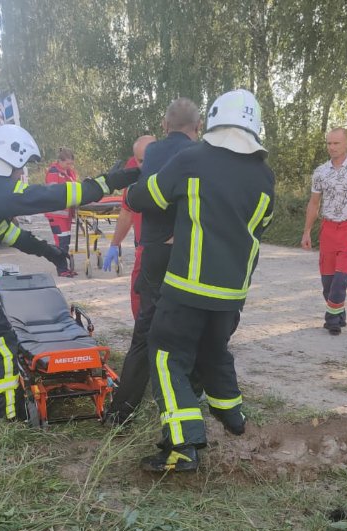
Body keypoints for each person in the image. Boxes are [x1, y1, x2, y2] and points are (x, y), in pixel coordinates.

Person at [0, 124, 139, 421]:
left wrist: (50, 252)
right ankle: (7, 418)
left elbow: (14, 235)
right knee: (2, 346)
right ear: (10, 159)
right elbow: (51, 196)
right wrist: (104, 183)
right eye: (21, 166)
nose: (20, 173)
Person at [125, 89, 275, 473]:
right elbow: (261, 226)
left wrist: (131, 187)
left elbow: (146, 198)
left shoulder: (193, 159)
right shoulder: (264, 175)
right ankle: (232, 415)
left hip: (187, 289)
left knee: (166, 357)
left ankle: (182, 445)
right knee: (213, 351)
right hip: (232, 294)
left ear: (212, 121)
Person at [104, 99, 200, 425]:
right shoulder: (202, 154)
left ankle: (121, 411)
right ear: (198, 126)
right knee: (192, 326)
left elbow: (140, 199)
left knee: (144, 330)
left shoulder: (154, 153)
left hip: (155, 252)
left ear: (164, 125)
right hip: (189, 252)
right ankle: (190, 394)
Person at [301, 127, 347, 335]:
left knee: (341, 279)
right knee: (328, 282)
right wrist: (306, 232)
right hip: (328, 229)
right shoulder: (320, 171)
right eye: (329, 143)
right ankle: (339, 314)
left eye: (336, 143)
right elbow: (314, 203)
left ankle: (331, 320)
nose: (332, 147)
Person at [103, 134, 156, 318]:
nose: (145, 165)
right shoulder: (133, 167)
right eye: (141, 160)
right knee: (139, 296)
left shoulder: (174, 163)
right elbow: (127, 211)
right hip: (143, 245)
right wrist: (114, 244)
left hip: (169, 246)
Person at [44, 148, 79, 277]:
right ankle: (62, 269)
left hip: (65, 214)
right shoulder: (53, 172)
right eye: (67, 163)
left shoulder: (69, 172)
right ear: (60, 161)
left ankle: (65, 268)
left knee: (65, 242)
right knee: (60, 243)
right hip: (56, 213)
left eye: (71, 163)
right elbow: (53, 192)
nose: (69, 166)